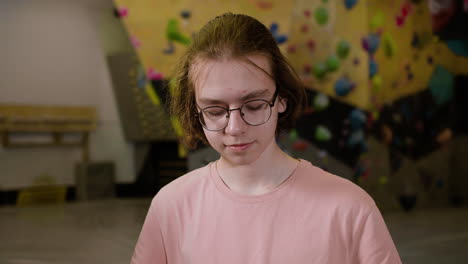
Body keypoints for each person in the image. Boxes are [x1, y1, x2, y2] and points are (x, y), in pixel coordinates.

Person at [131, 12, 401, 264]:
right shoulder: (171, 206)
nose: (234, 128)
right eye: (214, 110)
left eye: (255, 105)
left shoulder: (349, 207)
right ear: (195, 110)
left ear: (281, 99)